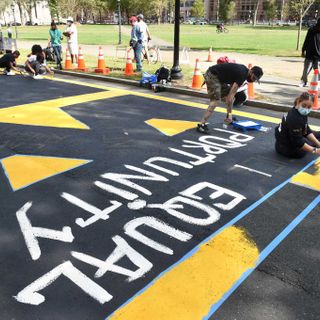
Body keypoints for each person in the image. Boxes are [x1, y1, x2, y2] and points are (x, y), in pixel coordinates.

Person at [197, 63, 263, 133]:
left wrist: (229, 114)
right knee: (216, 101)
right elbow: (229, 98)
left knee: (231, 98)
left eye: (255, 79)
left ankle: (228, 117)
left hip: (218, 77)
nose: (253, 80)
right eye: (254, 78)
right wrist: (230, 113)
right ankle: (201, 124)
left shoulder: (244, 71)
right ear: (251, 72)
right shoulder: (242, 75)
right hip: (212, 75)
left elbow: (231, 91)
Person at [275, 92, 320, 158]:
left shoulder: (298, 111)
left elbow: (306, 130)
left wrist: (318, 144)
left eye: (309, 107)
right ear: (299, 102)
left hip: (285, 141)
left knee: (317, 135)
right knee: (308, 144)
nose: (306, 109)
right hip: (286, 148)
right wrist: (315, 150)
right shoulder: (294, 118)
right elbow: (298, 142)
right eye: (304, 106)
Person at [300, 18, 320, 87]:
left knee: (318, 71)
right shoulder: (311, 30)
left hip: (318, 56)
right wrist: (303, 50)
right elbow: (306, 40)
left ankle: (317, 83)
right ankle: (303, 82)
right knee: (306, 70)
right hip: (310, 54)